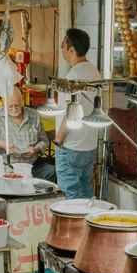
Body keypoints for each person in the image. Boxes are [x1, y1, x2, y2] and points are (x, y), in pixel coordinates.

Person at [55, 28, 103, 199]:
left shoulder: (73, 75)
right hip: (89, 144)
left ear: (72, 50)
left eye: (62, 45)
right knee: (85, 192)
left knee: (70, 196)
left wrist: (59, 138)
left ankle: (74, 226)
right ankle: (87, 225)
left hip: (71, 146)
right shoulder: (93, 71)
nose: (61, 49)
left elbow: (72, 113)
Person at [0, 86, 56, 182]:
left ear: (22, 99)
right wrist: (3, 144)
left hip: (32, 166)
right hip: (6, 167)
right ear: (3, 102)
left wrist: (35, 149)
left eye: (17, 105)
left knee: (52, 172)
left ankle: (40, 195)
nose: (14, 109)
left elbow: (44, 140)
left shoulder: (33, 115)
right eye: (10, 106)